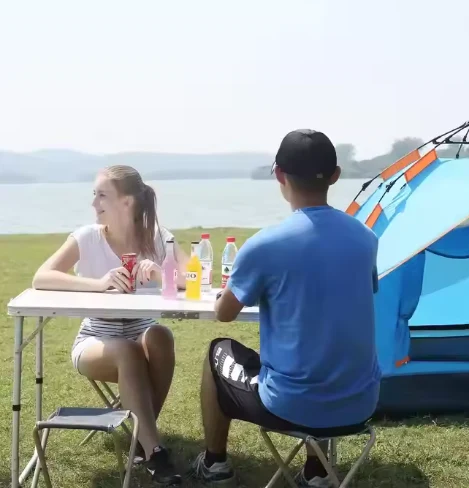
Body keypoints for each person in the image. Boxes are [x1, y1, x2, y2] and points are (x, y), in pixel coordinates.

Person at [187, 129, 381, 487]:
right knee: (322, 353)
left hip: (292, 405)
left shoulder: (266, 245)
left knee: (218, 350)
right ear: (335, 176)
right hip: (361, 402)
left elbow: (224, 313)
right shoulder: (366, 238)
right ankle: (317, 471)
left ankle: (215, 464)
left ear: (279, 174)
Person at [32, 165, 189, 486]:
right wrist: (98, 283)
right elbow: (41, 277)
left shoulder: (158, 236)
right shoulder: (87, 237)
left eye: (102, 195)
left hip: (141, 331)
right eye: (95, 195)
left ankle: (143, 440)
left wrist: (160, 273)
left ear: (126, 202)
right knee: (128, 351)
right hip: (96, 340)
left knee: (161, 335)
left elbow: (194, 278)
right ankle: (155, 451)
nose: (94, 203)